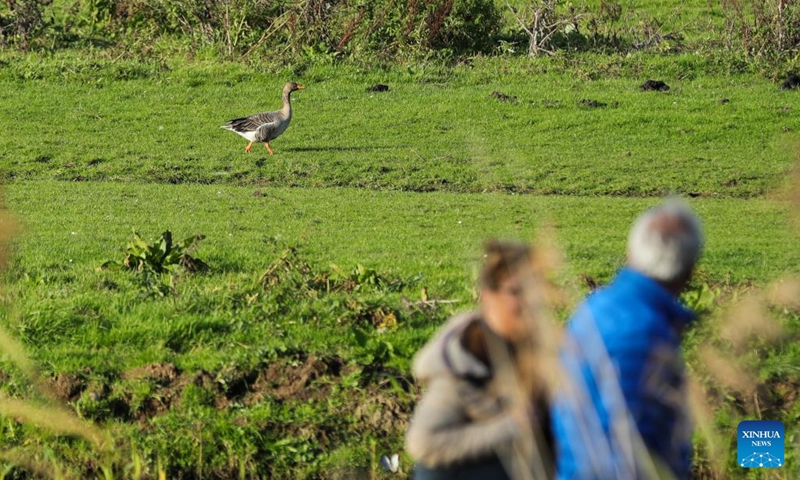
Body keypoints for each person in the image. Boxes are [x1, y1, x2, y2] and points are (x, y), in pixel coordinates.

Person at [551, 200, 703, 480]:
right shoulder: (641, 334)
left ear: (631, 252)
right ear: (690, 270)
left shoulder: (595, 307)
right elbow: (624, 453)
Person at [406, 240, 554, 480]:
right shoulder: (466, 361)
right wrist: (512, 426)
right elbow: (423, 443)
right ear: (488, 297)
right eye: (516, 292)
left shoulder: (542, 348)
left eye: (535, 288)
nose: (530, 301)